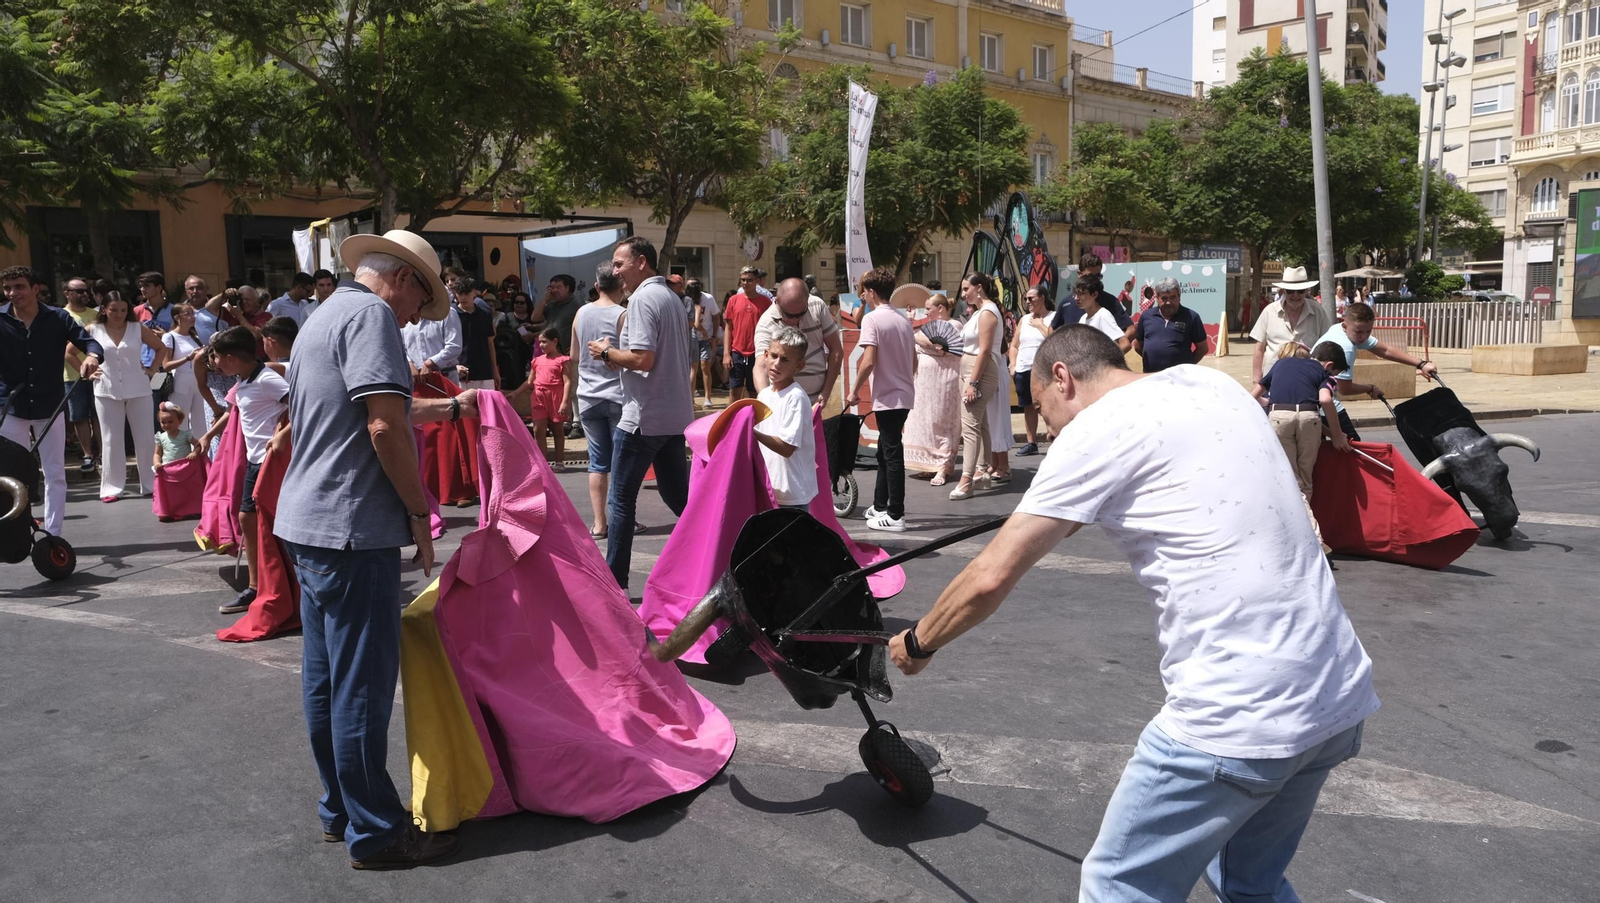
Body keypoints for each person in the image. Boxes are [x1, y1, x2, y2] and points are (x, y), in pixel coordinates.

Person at [887, 326, 1380, 902]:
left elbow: (991, 575)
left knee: (1120, 884)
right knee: (1249, 883)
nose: (1049, 429)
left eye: (1044, 409)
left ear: (1062, 379)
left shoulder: (1095, 429)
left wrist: (918, 642)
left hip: (1237, 715)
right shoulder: (1208, 384)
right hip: (1335, 696)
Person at [275, 229, 468, 869]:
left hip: (309, 521)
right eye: (422, 302)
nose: (417, 318)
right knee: (360, 684)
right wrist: (419, 511)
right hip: (353, 526)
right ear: (404, 279)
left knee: (326, 679)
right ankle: (378, 831)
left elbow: (361, 412)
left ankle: (341, 810)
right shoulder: (373, 316)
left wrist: (444, 411)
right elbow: (381, 424)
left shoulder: (322, 315)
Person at [586, 237, 694, 591]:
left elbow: (643, 359)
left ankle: (614, 581)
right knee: (681, 500)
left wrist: (606, 352)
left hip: (643, 417)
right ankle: (718, 554)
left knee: (620, 501)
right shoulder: (670, 298)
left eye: (619, 264)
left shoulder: (645, 298)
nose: (615, 271)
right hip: (672, 415)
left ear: (641, 262)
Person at [0, 266, 103, 536]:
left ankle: (53, 534)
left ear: (35, 289)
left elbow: (90, 344)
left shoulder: (58, 318)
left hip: (51, 406)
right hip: (11, 407)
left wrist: (91, 357)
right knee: (12, 473)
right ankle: (19, 529)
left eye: (19, 287)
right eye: (8, 288)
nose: (13, 293)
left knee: (55, 473)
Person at [199, 326, 289, 615]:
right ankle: (255, 585)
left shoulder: (266, 380)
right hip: (254, 462)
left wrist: (283, 433)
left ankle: (281, 583)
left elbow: (302, 404)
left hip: (272, 462)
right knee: (247, 519)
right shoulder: (243, 382)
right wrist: (208, 436)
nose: (213, 363)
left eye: (216, 358)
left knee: (269, 523)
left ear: (231, 358)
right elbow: (230, 412)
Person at [1251, 341, 1351, 552]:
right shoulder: (1323, 374)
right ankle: (1314, 538)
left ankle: (1296, 536)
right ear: (1329, 365)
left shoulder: (1279, 366)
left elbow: (1253, 396)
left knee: (1290, 479)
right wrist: (1337, 435)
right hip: (1310, 418)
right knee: (1304, 482)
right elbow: (1324, 400)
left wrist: (1273, 404)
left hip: (1279, 417)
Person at [847, 266, 916, 533]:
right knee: (885, 451)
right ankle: (879, 505)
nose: (862, 296)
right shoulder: (902, 320)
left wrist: (854, 390)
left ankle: (896, 514)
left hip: (889, 396)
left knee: (891, 453)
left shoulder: (872, 320)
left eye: (864, 291)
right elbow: (914, 362)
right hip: (903, 393)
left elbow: (868, 361)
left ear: (871, 292)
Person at [1313, 301, 1438, 442]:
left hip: (1313, 402)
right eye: (1359, 332)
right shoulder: (1345, 347)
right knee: (1355, 449)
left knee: (1325, 451)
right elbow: (1345, 389)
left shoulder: (1340, 329)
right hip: (1323, 404)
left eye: (1368, 331)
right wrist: (1369, 388)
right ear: (1345, 324)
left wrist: (1420, 364)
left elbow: (1384, 350)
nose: (1364, 337)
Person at [90, 290, 168, 503]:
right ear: (104, 309)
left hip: (140, 388)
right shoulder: (93, 329)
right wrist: (85, 369)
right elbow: (69, 351)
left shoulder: (137, 328)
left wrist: (153, 369)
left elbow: (161, 347)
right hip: (105, 389)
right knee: (110, 440)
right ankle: (111, 488)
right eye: (114, 309)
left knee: (145, 438)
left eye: (123, 310)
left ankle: (151, 485)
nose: (119, 313)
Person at [572, 263, 627, 539]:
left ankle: (599, 523)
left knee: (597, 463)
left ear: (596, 286)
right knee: (620, 463)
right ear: (622, 286)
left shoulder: (581, 313)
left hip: (588, 397)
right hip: (617, 396)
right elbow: (630, 358)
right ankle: (621, 521)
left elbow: (574, 355)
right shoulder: (623, 315)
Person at [950, 274, 1002, 502]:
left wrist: (973, 382)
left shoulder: (988, 313)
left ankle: (967, 479)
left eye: (966, 289)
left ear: (978, 288)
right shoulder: (980, 312)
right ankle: (981, 470)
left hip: (978, 371)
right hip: (971, 369)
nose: (963, 294)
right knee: (979, 424)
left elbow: (984, 350)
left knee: (970, 426)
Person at [754, 326, 818, 509]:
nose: (777, 364)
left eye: (785, 359)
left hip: (792, 495)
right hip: (769, 488)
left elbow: (787, 447)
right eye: (774, 356)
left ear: (799, 366)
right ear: (765, 355)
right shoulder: (764, 395)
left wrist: (751, 433)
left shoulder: (795, 397)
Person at [753, 277, 843, 404]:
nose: (796, 320)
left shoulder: (817, 306)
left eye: (801, 313)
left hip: (817, 400)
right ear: (777, 301)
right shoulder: (766, 323)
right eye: (789, 315)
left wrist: (826, 392)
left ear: (807, 300)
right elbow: (761, 365)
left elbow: (836, 349)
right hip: (785, 402)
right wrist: (767, 402)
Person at [904, 293, 963, 485]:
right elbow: (920, 340)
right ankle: (929, 463)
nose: (926, 312)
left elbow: (943, 347)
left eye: (929, 308)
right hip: (925, 383)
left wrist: (924, 343)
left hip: (945, 380)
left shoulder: (954, 326)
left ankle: (943, 468)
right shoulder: (926, 329)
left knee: (943, 422)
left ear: (940, 309)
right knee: (926, 421)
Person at [1249, 266, 1334, 387]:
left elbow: (1328, 345)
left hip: (1308, 381)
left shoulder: (1318, 311)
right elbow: (1259, 348)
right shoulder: (1269, 311)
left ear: (1306, 291)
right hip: (1273, 381)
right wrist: (1257, 379)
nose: (1295, 295)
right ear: (1283, 291)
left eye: (1300, 291)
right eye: (1290, 291)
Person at [59, 276, 102, 474]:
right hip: (72, 375)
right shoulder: (60, 315)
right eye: (79, 291)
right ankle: (87, 455)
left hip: (99, 373)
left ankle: (102, 454)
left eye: (86, 290)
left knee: (99, 416)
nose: (85, 294)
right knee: (79, 417)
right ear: (67, 294)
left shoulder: (97, 314)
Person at [1009, 286, 1053, 457]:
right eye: (1026, 299)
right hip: (1023, 368)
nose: (1028, 302)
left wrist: (1041, 325)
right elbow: (1014, 345)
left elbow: (1054, 339)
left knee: (1047, 406)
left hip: (1043, 369)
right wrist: (1012, 365)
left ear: (1042, 298)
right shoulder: (1024, 319)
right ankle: (1031, 442)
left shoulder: (1052, 317)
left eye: (1031, 298)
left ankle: (1055, 436)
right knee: (1028, 406)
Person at [1132, 277, 1209, 373]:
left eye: (1173, 297)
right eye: (1164, 298)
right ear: (1157, 299)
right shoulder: (1146, 316)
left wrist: (1187, 367)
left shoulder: (1191, 317)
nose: (1168, 302)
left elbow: (1203, 348)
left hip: (1179, 379)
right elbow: (1138, 344)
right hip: (1151, 377)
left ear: (1179, 297)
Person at [1052, 253, 1133, 341]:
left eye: (1098, 276)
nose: (1094, 280)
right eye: (1089, 276)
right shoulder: (1067, 304)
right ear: (1079, 274)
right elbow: (1053, 329)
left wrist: (1110, 351)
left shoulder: (1108, 304)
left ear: (1095, 295)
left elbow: (1130, 330)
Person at [721, 266, 771, 403]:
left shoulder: (766, 302)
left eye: (749, 280)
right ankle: (733, 423)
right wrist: (726, 353)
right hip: (737, 351)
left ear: (756, 281)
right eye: (742, 280)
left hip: (758, 352)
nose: (745, 283)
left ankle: (755, 423)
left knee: (755, 392)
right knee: (735, 391)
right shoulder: (733, 300)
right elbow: (728, 327)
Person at [527, 327, 574, 468]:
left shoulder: (563, 360)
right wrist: (516, 392)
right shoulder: (537, 360)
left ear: (555, 341)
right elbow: (530, 381)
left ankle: (559, 461)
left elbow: (567, 382)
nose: (541, 345)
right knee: (538, 430)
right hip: (538, 396)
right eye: (539, 342)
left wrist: (565, 402)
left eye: (544, 342)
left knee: (557, 430)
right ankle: (542, 463)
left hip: (555, 397)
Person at [448, 272, 500, 392]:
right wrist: (453, 367)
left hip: (484, 372)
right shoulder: (451, 314)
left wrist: (495, 371)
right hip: (461, 372)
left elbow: (490, 343)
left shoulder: (485, 314)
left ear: (474, 293)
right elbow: (444, 343)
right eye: (460, 294)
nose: (463, 297)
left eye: (467, 293)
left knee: (486, 408)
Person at [159, 302, 209, 424]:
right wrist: (188, 358)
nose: (192, 317)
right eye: (187, 314)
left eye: (193, 313)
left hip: (198, 381)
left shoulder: (194, 335)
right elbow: (166, 365)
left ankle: (199, 443)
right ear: (177, 318)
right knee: (180, 421)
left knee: (201, 422)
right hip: (181, 382)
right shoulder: (169, 337)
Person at [685, 278, 720, 410]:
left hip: (705, 337)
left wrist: (714, 335)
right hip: (692, 336)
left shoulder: (708, 298)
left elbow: (716, 316)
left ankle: (707, 397)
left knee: (705, 366)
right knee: (693, 367)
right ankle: (691, 398)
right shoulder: (686, 300)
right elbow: (696, 323)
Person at [1074, 276, 1130, 351]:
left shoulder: (1103, 315)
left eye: (1081, 294)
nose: (1076, 298)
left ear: (1094, 295)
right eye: (1076, 293)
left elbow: (1125, 344)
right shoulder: (1083, 318)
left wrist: (1106, 362)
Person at [134, 271, 174, 370]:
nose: (143, 289)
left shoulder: (173, 310)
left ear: (159, 288)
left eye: (147, 286)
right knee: (143, 386)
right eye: (141, 286)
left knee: (157, 386)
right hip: (141, 364)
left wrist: (166, 336)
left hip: (162, 365)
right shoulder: (137, 311)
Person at [535, 274, 580, 354]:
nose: (554, 290)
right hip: (549, 352)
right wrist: (545, 300)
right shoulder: (552, 304)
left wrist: (578, 346)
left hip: (567, 354)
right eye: (552, 287)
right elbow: (535, 318)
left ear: (567, 288)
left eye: (558, 287)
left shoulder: (577, 305)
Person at [153, 401, 203, 468]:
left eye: (170, 422)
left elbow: (198, 445)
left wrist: (194, 453)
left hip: (185, 467)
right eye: (163, 422)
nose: (167, 425)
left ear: (180, 421)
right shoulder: (161, 437)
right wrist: (157, 463)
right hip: (168, 468)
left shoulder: (185, 435)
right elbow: (157, 454)